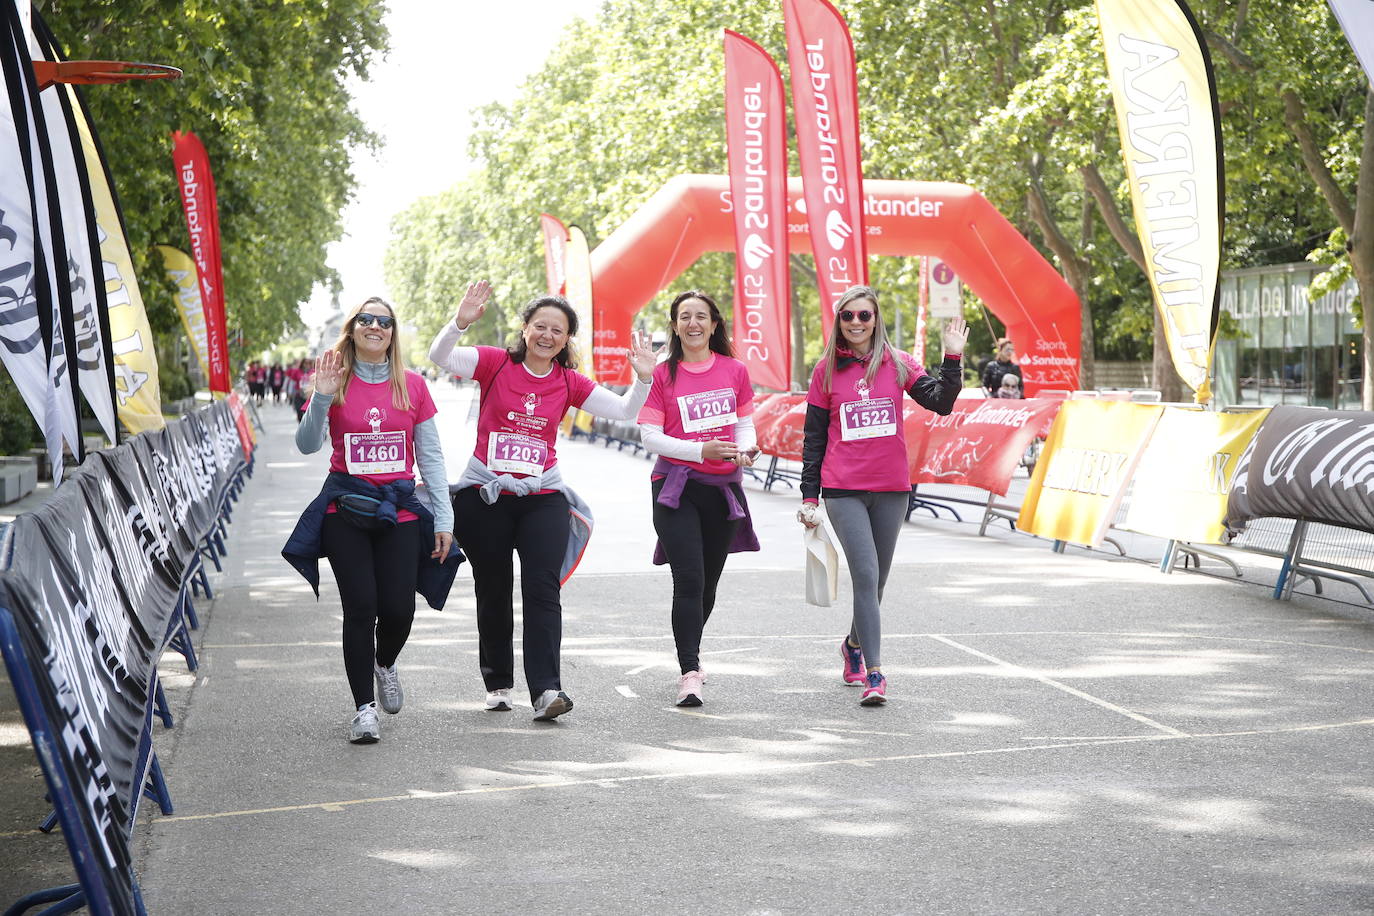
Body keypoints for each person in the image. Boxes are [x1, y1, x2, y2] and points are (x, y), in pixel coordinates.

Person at [429, 281, 656, 721]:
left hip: (543, 497)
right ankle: (497, 683)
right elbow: (440, 357)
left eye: (558, 330)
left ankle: (546, 690)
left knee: (542, 588)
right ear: (525, 328)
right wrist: (460, 322)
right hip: (486, 495)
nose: (547, 335)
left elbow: (626, 410)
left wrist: (643, 377)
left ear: (567, 338)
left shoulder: (569, 382)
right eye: (540, 326)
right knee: (492, 588)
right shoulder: (495, 363)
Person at [283, 296, 459, 744]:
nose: (375, 326)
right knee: (360, 607)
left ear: (393, 332)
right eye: (366, 319)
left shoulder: (414, 385)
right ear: (353, 328)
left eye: (384, 321)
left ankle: (384, 664)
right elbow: (306, 445)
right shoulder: (334, 381)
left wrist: (444, 516)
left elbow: (432, 457)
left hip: (398, 508)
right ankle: (363, 710)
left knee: (398, 609)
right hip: (346, 507)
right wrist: (321, 396)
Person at [797, 285, 966, 706]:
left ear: (876, 320)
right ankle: (875, 673)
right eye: (848, 316)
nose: (856, 323)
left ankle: (852, 645)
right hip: (843, 490)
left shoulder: (898, 364)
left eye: (864, 316)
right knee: (866, 577)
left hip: (891, 488)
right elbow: (814, 438)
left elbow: (941, 403)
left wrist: (953, 357)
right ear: (839, 321)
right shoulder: (826, 371)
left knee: (878, 583)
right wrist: (809, 496)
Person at [637, 290, 760, 707]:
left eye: (701, 317)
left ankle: (688, 644)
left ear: (714, 324)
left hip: (723, 489)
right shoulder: (662, 374)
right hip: (674, 487)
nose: (693, 323)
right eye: (685, 316)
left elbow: (744, 424)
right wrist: (698, 451)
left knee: (707, 585)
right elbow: (649, 435)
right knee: (688, 580)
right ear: (674, 325)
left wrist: (747, 447)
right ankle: (690, 671)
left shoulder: (734, 370)